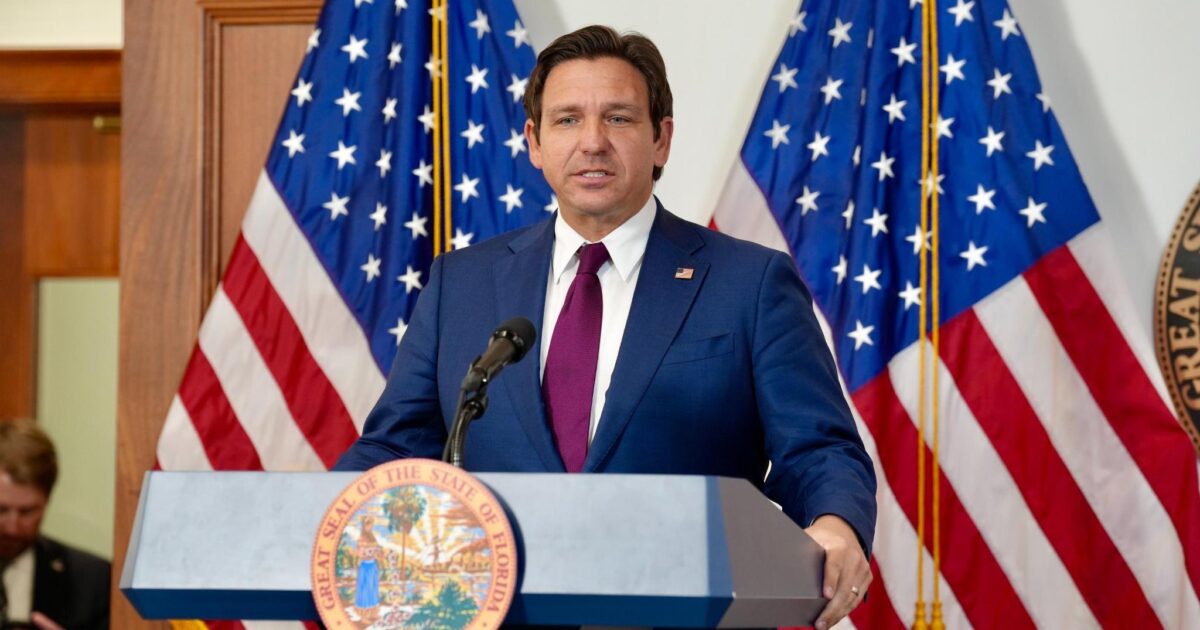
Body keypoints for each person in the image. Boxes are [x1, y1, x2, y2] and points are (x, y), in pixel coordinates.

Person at [334, 25, 876, 628]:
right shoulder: (460, 285)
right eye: (567, 120)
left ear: (661, 139)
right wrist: (321, 518)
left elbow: (819, 447)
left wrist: (836, 525)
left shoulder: (750, 283)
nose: (592, 142)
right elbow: (394, 448)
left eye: (618, 118)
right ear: (535, 142)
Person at [0, 419, 110, 630]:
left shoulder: (93, 580)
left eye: (27, 512)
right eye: (2, 510)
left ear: (47, 501)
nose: (13, 527)